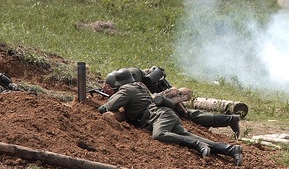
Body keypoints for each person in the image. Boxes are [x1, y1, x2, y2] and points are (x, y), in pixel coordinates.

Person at [98, 69, 243, 166]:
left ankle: (197, 145)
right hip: (165, 114)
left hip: (159, 117)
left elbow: (107, 107)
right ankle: (230, 149)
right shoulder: (139, 85)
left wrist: (108, 98)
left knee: (159, 134)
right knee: (186, 134)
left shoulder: (126, 90)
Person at [102, 67, 241, 138]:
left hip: (162, 99)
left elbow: (139, 97)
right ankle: (229, 119)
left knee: (188, 116)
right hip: (162, 98)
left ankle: (229, 120)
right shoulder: (134, 77)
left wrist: (113, 96)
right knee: (189, 115)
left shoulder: (132, 84)